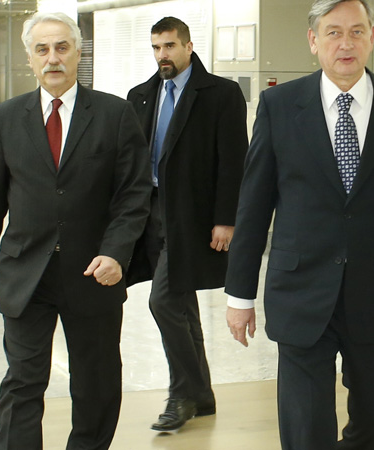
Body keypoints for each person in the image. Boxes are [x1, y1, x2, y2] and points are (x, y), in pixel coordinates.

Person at [224, 1, 374, 449]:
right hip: (299, 291)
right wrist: (239, 295)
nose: (345, 43)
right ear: (313, 41)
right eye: (333, 32)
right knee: (306, 429)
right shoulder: (278, 106)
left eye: (356, 31)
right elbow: (253, 206)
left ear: (371, 37)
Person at [0, 12, 151, 450]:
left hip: (93, 272)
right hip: (25, 272)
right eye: (43, 49)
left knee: (96, 382)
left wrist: (116, 252)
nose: (53, 58)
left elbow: (133, 193)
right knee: (23, 380)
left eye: (62, 48)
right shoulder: (5, 117)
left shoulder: (114, 114)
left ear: (78, 53)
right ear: (29, 58)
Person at [126, 17, 248, 432]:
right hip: (150, 213)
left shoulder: (221, 94)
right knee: (179, 304)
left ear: (189, 46)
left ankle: (182, 394)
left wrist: (226, 220)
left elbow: (234, 161)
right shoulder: (141, 96)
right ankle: (202, 394)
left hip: (193, 218)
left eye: (170, 46)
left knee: (163, 301)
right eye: (156, 47)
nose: (162, 55)